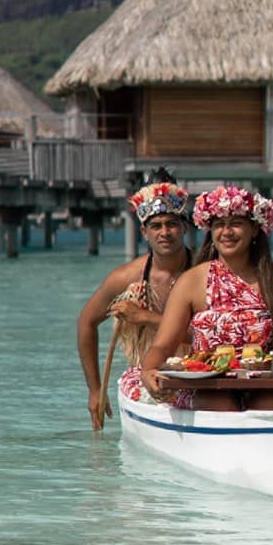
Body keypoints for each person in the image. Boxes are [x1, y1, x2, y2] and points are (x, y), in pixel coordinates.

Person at [141, 184, 273, 411]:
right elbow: (162, 346)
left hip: (267, 385)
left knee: (272, 404)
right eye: (219, 225)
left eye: (236, 224)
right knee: (220, 403)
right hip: (205, 387)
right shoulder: (191, 281)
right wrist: (148, 371)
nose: (227, 232)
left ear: (254, 229)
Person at [76, 172, 193, 430]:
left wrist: (144, 317)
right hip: (146, 375)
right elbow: (86, 323)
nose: (165, 232)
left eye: (172, 224)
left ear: (185, 227)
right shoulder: (127, 278)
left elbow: (216, 335)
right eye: (156, 226)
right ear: (144, 232)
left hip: (199, 373)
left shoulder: (206, 273)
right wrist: (95, 390)